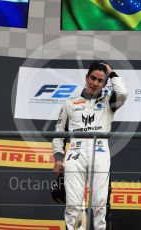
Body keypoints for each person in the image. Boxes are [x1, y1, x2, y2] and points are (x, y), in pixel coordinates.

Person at [52, 61, 128, 230]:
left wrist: (111, 72)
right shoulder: (69, 103)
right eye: (93, 78)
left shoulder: (109, 102)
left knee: (100, 203)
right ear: (86, 77)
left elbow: (123, 92)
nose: (95, 83)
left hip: (100, 152)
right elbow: (58, 134)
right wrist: (58, 158)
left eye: (100, 80)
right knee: (74, 205)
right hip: (75, 154)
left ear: (105, 82)